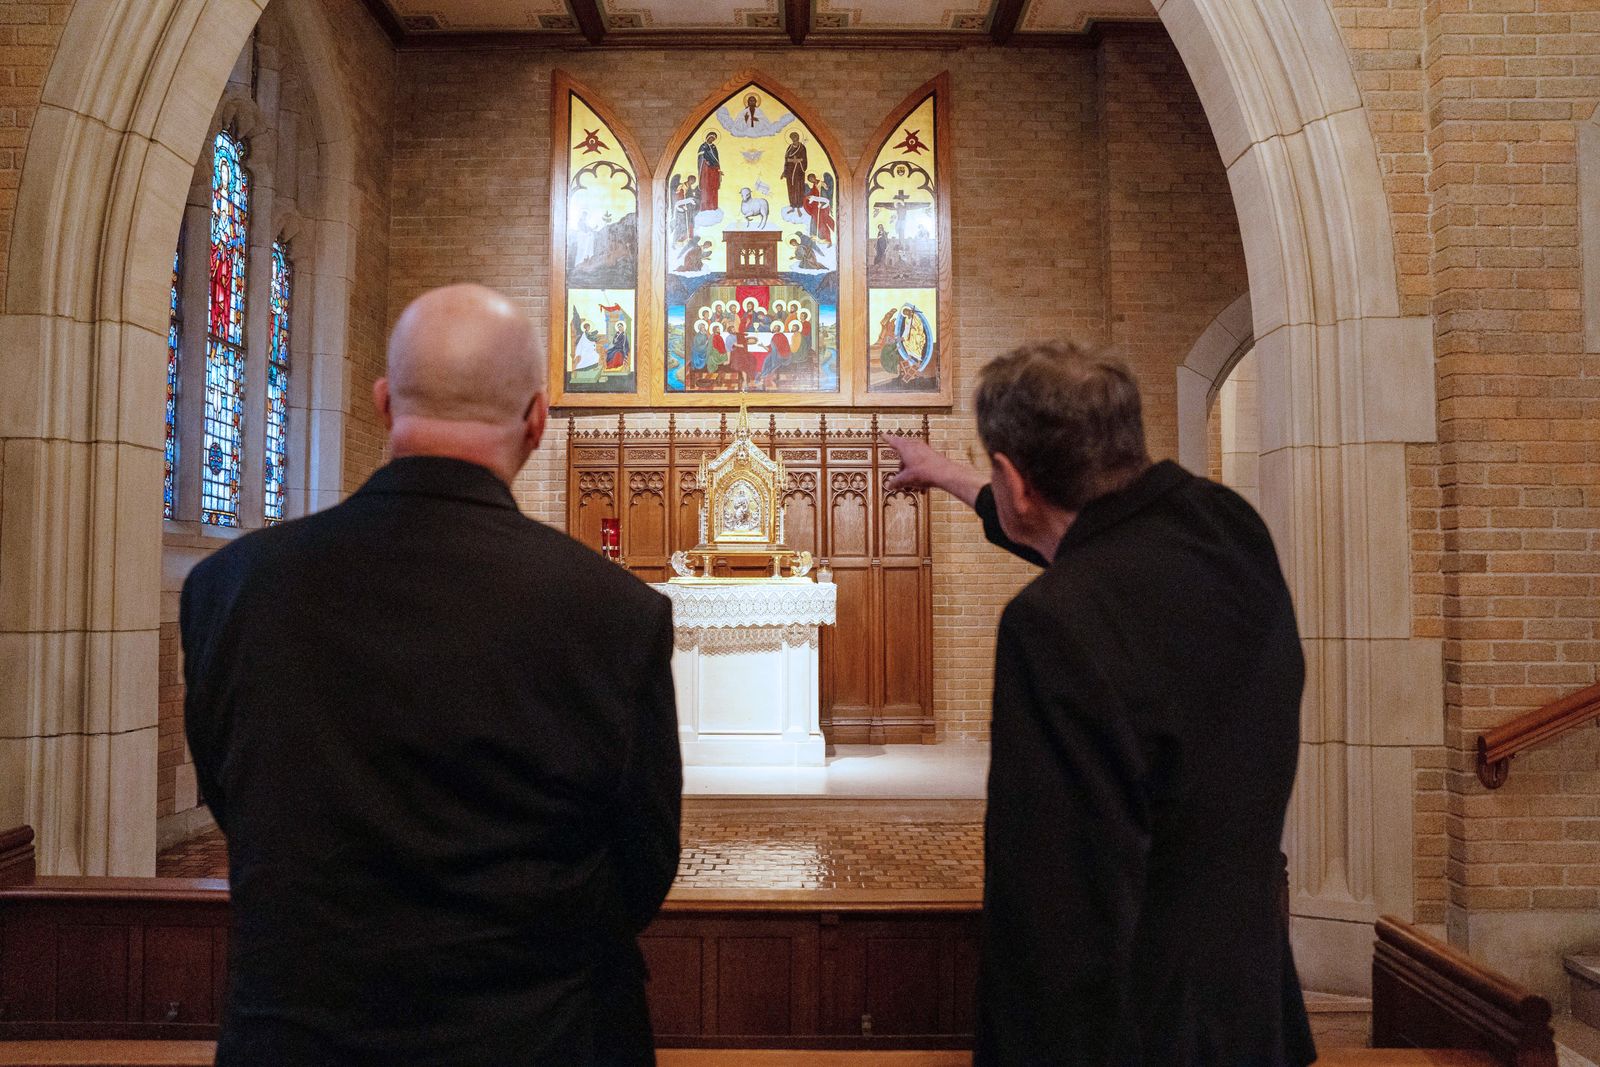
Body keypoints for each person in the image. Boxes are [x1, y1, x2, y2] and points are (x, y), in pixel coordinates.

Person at [182, 284, 682, 1066]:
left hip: (302, 1035)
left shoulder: (232, 589)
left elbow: (232, 797)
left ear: (384, 403)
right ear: (539, 420)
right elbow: (643, 864)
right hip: (541, 1034)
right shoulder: (615, 612)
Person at [885, 341, 1313, 1067]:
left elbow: (1051, 906)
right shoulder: (1229, 529)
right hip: (1251, 1009)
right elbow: (1102, 551)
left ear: (1018, 482)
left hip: (1133, 1031)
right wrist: (953, 475)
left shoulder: (1051, 625)